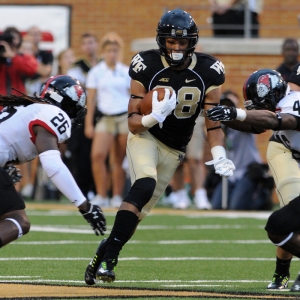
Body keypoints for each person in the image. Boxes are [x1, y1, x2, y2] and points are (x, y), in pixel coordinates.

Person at [83, 9, 235, 285]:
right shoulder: (146, 64)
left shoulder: (210, 71)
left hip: (176, 148)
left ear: (192, 42)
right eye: (171, 41)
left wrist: (219, 154)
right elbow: (132, 122)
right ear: (161, 40)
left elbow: (213, 123)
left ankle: (102, 254)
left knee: (135, 217)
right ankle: (110, 261)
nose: (177, 47)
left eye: (182, 42)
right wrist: (156, 115)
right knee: (144, 184)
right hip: (146, 136)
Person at [206, 66, 300, 291]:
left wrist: (235, 113)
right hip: (287, 150)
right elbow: (255, 123)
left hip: (288, 138)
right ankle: (281, 272)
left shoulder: (293, 102)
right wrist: (223, 115)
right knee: (291, 213)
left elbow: (276, 120)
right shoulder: (283, 98)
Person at [0, 75, 106, 249]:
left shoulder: (27, 108)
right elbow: (52, 165)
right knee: (18, 220)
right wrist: (84, 205)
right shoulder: (53, 113)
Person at [85, 32, 130, 208]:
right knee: (97, 155)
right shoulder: (96, 72)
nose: (112, 54)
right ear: (103, 52)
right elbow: (91, 100)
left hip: (123, 116)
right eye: (109, 50)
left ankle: (117, 195)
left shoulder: (126, 71)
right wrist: (88, 123)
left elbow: (132, 97)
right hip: (105, 116)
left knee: (118, 159)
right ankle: (101, 194)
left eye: (115, 50)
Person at [209, 90, 273, 210]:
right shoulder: (221, 127)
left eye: (231, 105)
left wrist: (233, 114)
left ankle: (263, 197)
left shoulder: (244, 121)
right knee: (217, 205)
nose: (227, 107)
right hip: (231, 171)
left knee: (237, 206)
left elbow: (247, 120)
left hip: (248, 171)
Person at [66, 32, 100, 200]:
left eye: (91, 42)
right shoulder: (77, 66)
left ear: (97, 44)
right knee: (83, 154)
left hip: (102, 112)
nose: (89, 46)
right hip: (82, 113)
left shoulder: (104, 64)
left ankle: (100, 190)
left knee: (101, 155)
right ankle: (83, 190)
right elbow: (78, 88)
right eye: (85, 43)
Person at [0, 26, 38, 95]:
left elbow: (31, 70)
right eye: (10, 39)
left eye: (15, 38)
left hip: (17, 100)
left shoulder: (23, 56)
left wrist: (12, 56)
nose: (13, 41)